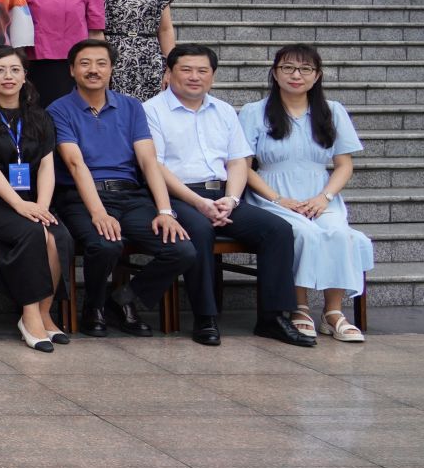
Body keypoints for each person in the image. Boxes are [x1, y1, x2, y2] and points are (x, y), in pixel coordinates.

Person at [146, 43, 304, 347]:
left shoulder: (224, 111)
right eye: (186, 70)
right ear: (169, 72)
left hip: (222, 194)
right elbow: (156, 166)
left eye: (202, 71)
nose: (195, 77)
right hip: (179, 196)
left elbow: (237, 161)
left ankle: (272, 318)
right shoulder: (152, 110)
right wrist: (199, 203)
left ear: (213, 76)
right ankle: (205, 317)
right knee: (200, 230)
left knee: (278, 230)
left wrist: (231, 199)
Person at [49, 39, 197, 337]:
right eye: (85, 64)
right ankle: (93, 308)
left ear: (112, 69)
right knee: (106, 244)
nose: (93, 70)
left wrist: (165, 211)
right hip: (81, 198)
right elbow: (75, 164)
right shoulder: (59, 109)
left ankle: (121, 300)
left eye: (101, 64)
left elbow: (148, 160)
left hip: (130, 196)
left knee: (181, 250)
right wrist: (98, 212)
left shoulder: (131, 107)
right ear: (72, 70)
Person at [240, 45, 374, 344]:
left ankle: (333, 313)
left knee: (340, 234)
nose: (296, 75)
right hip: (272, 196)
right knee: (302, 233)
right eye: (287, 68)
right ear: (275, 73)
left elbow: (344, 164)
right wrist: (278, 199)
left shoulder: (333, 111)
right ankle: (299, 308)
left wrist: (324, 198)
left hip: (320, 196)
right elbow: (242, 166)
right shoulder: (254, 112)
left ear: (317, 76)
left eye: (305, 69)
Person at [0, 47, 73, 352]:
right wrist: (20, 205)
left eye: (14, 70)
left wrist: (42, 206)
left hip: (32, 200)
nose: (7, 76)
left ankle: (45, 312)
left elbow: (47, 166)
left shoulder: (39, 116)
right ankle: (29, 314)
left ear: (24, 76)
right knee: (33, 232)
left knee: (58, 235)